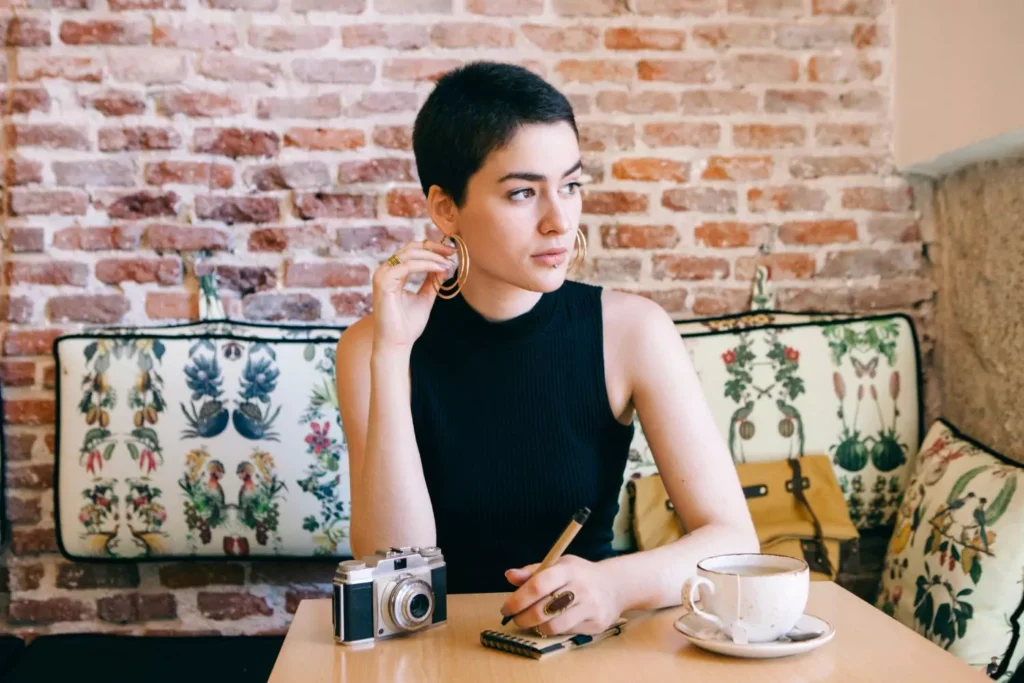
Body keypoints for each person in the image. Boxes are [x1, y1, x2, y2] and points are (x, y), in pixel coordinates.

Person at [335, 60, 758, 637]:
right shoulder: (371, 347)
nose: (559, 221)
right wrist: (392, 355)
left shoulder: (633, 331)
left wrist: (613, 586)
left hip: (585, 647)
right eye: (522, 193)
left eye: (572, 185)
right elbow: (391, 572)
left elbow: (734, 538)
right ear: (445, 208)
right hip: (435, 651)